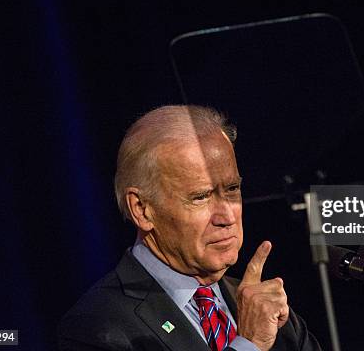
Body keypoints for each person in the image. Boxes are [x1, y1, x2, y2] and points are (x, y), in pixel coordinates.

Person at [58, 105, 322, 351]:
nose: (227, 215)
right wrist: (249, 344)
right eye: (201, 197)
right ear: (141, 209)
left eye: (232, 190)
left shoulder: (264, 309)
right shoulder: (97, 327)